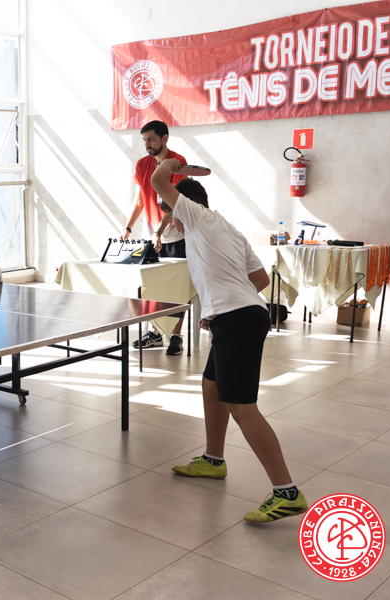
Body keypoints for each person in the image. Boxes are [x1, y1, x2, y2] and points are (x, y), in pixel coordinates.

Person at [151, 159, 308, 523]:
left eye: (170, 212)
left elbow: (159, 179)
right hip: (239, 316)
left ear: (184, 206)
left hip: (238, 322)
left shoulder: (197, 217)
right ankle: (213, 459)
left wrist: (175, 165)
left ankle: (287, 493)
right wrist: (222, 303)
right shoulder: (226, 229)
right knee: (211, 385)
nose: (170, 221)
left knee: (242, 407)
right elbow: (260, 279)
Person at [123, 120, 189, 355]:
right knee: (151, 287)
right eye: (144, 140)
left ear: (165, 138)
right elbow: (139, 200)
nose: (147, 144)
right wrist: (128, 228)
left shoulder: (177, 163)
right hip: (150, 237)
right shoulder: (142, 164)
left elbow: (173, 203)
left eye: (151, 139)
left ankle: (176, 336)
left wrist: (159, 232)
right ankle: (154, 333)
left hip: (174, 236)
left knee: (177, 289)